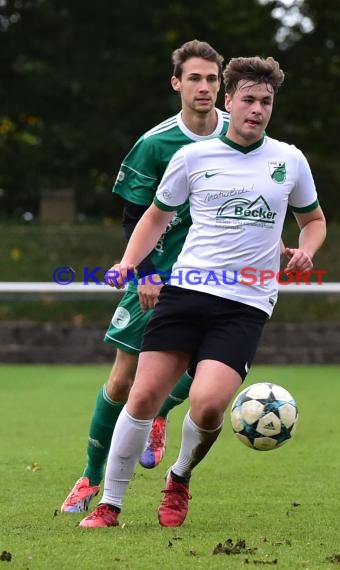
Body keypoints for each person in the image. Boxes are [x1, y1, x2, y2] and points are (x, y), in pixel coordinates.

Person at [79, 54, 326, 529]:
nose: (257, 109)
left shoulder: (289, 160)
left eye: (266, 101)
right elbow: (154, 216)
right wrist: (130, 263)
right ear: (229, 101)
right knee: (144, 393)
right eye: (249, 99)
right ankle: (110, 505)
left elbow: (312, 220)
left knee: (209, 405)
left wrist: (305, 250)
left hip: (246, 303)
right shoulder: (192, 156)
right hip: (187, 290)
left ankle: (179, 476)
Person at [60, 39, 229, 513]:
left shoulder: (241, 136)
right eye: (194, 78)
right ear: (176, 83)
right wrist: (147, 271)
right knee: (121, 381)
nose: (204, 87)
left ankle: (159, 413)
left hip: (217, 278)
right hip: (156, 276)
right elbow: (135, 217)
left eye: (212, 79)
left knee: (210, 370)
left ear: (222, 85)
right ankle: (91, 478)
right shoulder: (155, 144)